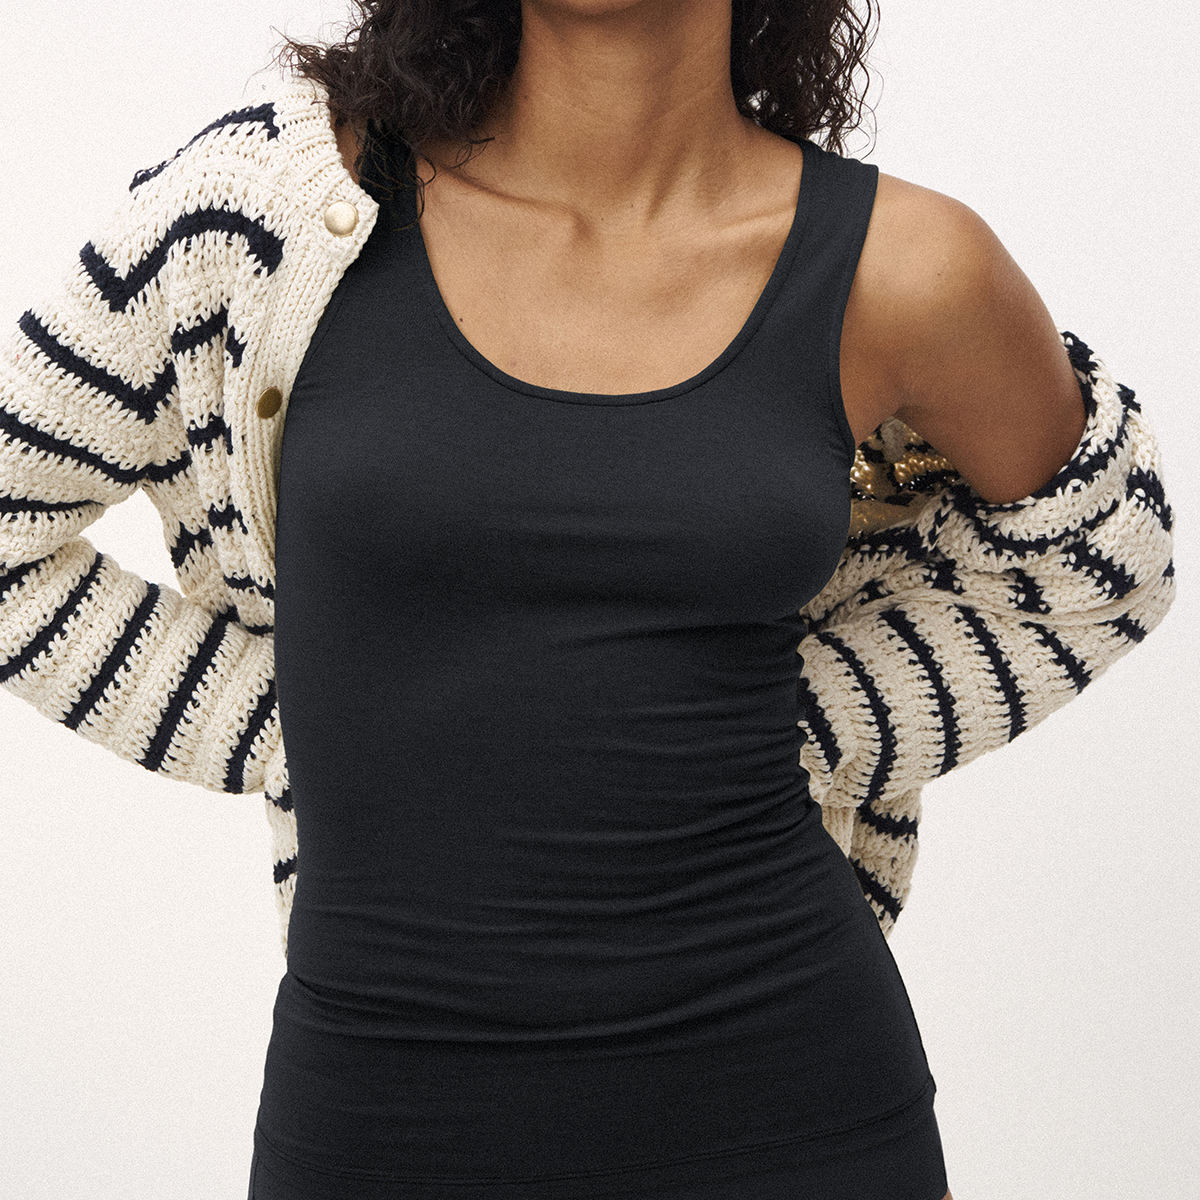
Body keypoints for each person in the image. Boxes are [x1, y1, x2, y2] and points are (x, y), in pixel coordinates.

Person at [0, 2, 1175, 1198]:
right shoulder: (276, 209)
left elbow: (1103, 560)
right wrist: (308, 723)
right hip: (376, 1125)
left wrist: (806, 725)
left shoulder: (900, 266)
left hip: (796, 1115)